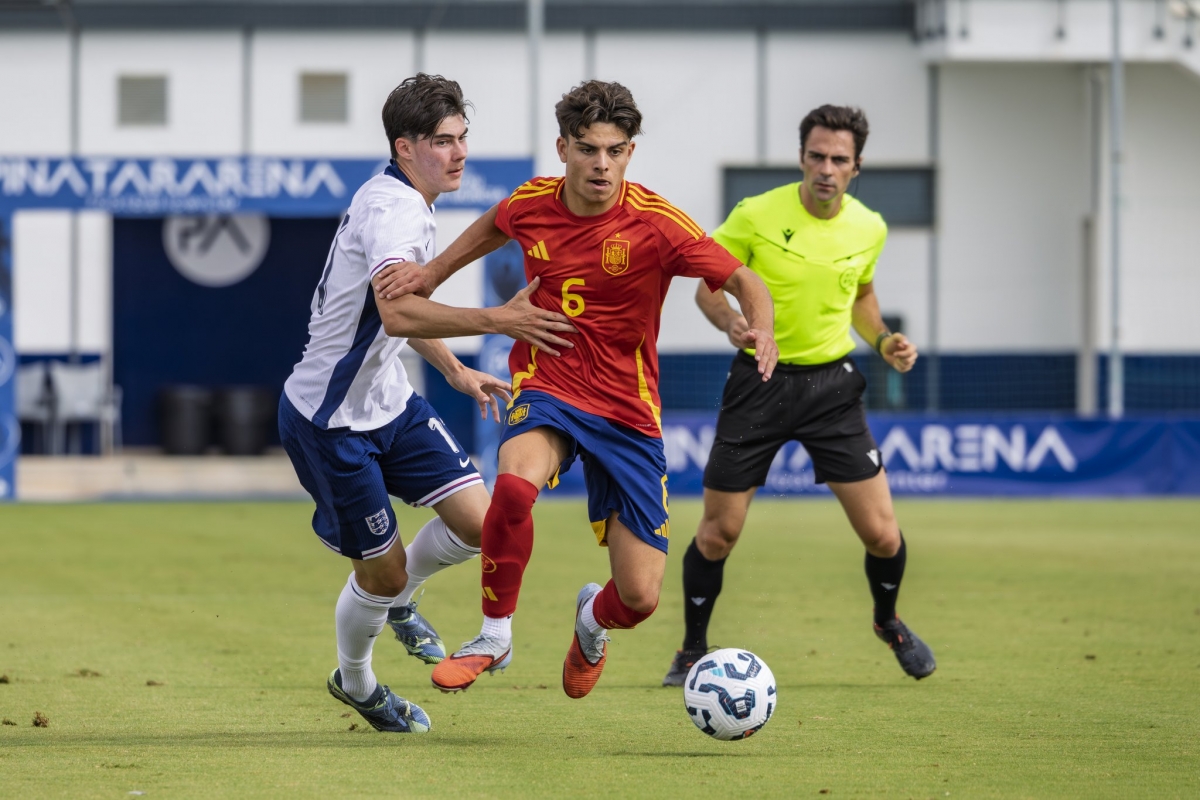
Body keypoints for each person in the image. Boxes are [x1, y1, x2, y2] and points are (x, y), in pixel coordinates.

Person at [373, 80, 779, 699]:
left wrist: (762, 329)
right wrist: (429, 274)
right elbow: (490, 228)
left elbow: (747, 280)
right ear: (563, 148)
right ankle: (495, 632)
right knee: (511, 484)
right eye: (588, 149)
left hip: (628, 410)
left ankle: (592, 620)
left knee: (640, 598)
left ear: (630, 153)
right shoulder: (532, 202)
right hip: (550, 381)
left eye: (615, 151)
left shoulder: (657, 222)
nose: (602, 164)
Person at [279, 74, 577, 733]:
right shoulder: (394, 211)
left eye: (463, 138)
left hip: (390, 403)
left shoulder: (410, 198)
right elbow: (398, 308)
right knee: (379, 577)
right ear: (405, 146)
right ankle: (356, 682)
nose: (459, 153)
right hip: (330, 422)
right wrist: (497, 320)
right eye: (443, 141)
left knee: (481, 523)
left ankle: (402, 602)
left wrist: (457, 370)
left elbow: (396, 319)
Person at [661, 104, 936, 686]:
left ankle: (887, 621)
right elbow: (708, 289)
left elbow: (861, 299)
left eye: (839, 159)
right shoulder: (756, 214)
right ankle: (690, 648)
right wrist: (731, 322)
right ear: (802, 158)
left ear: (856, 166)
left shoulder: (870, 227)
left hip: (832, 387)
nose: (826, 169)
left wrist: (885, 341)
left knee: (883, 534)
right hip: (757, 382)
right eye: (817, 156)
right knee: (718, 533)